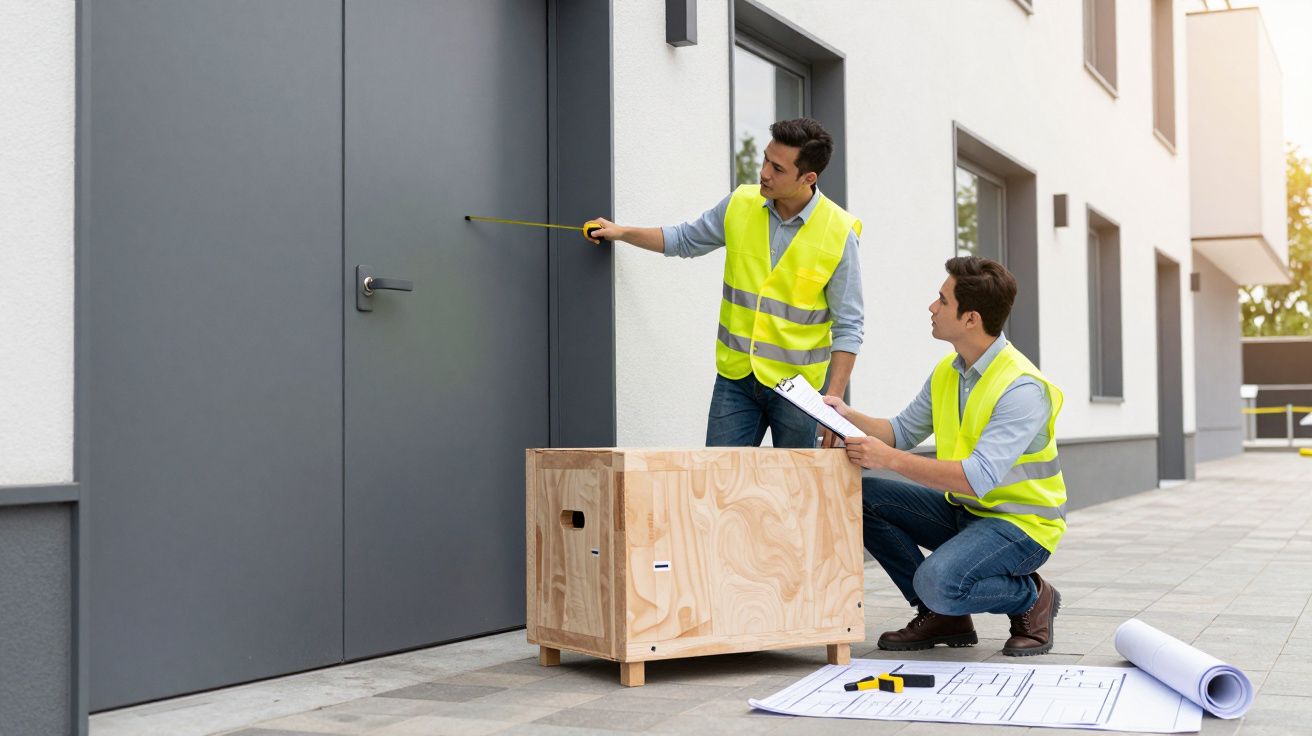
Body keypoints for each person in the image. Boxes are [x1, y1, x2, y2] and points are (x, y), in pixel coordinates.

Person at [823, 256, 1066, 656]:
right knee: (862, 498)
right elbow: (899, 432)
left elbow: (976, 477)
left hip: (1023, 526)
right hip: (968, 513)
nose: (932, 307)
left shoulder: (1022, 388)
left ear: (970, 319)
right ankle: (943, 616)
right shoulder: (948, 372)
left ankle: (1031, 596)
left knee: (938, 581)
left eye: (942, 300)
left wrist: (886, 458)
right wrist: (847, 416)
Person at [588, 118, 863, 449]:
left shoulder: (839, 233)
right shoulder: (740, 204)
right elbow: (685, 239)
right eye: (765, 159)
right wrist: (622, 232)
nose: (764, 172)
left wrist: (832, 399)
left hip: (799, 391)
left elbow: (849, 324)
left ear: (808, 178)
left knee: (795, 494)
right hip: (736, 380)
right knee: (717, 486)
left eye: (777, 168)